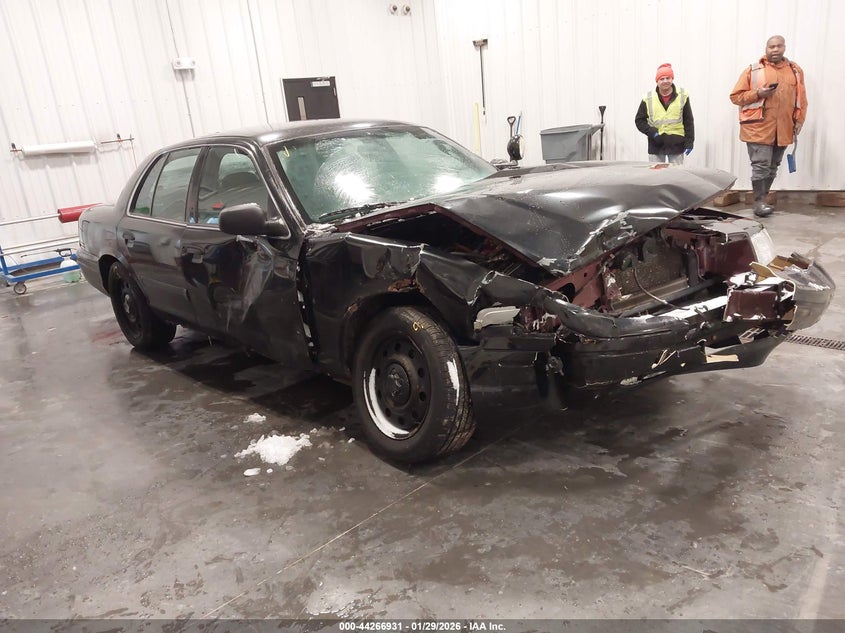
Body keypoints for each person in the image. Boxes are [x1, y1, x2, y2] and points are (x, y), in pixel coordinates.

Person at [730, 35, 807, 217]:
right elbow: (735, 97)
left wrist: (800, 120)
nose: (775, 50)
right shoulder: (754, 71)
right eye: (771, 46)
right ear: (766, 48)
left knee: (773, 166)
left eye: (778, 46)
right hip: (758, 128)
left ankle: (762, 199)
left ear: (784, 47)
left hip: (784, 128)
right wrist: (758, 93)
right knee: (761, 166)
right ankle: (759, 203)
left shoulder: (795, 71)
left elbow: (801, 99)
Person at [635, 63, 694, 164]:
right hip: (656, 143)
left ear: (672, 79)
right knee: (656, 177)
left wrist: (689, 143)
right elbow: (639, 121)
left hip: (676, 143)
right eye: (662, 79)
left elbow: (688, 121)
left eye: (668, 78)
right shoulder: (648, 98)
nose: (665, 81)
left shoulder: (683, 95)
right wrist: (652, 132)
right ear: (657, 81)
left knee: (676, 176)